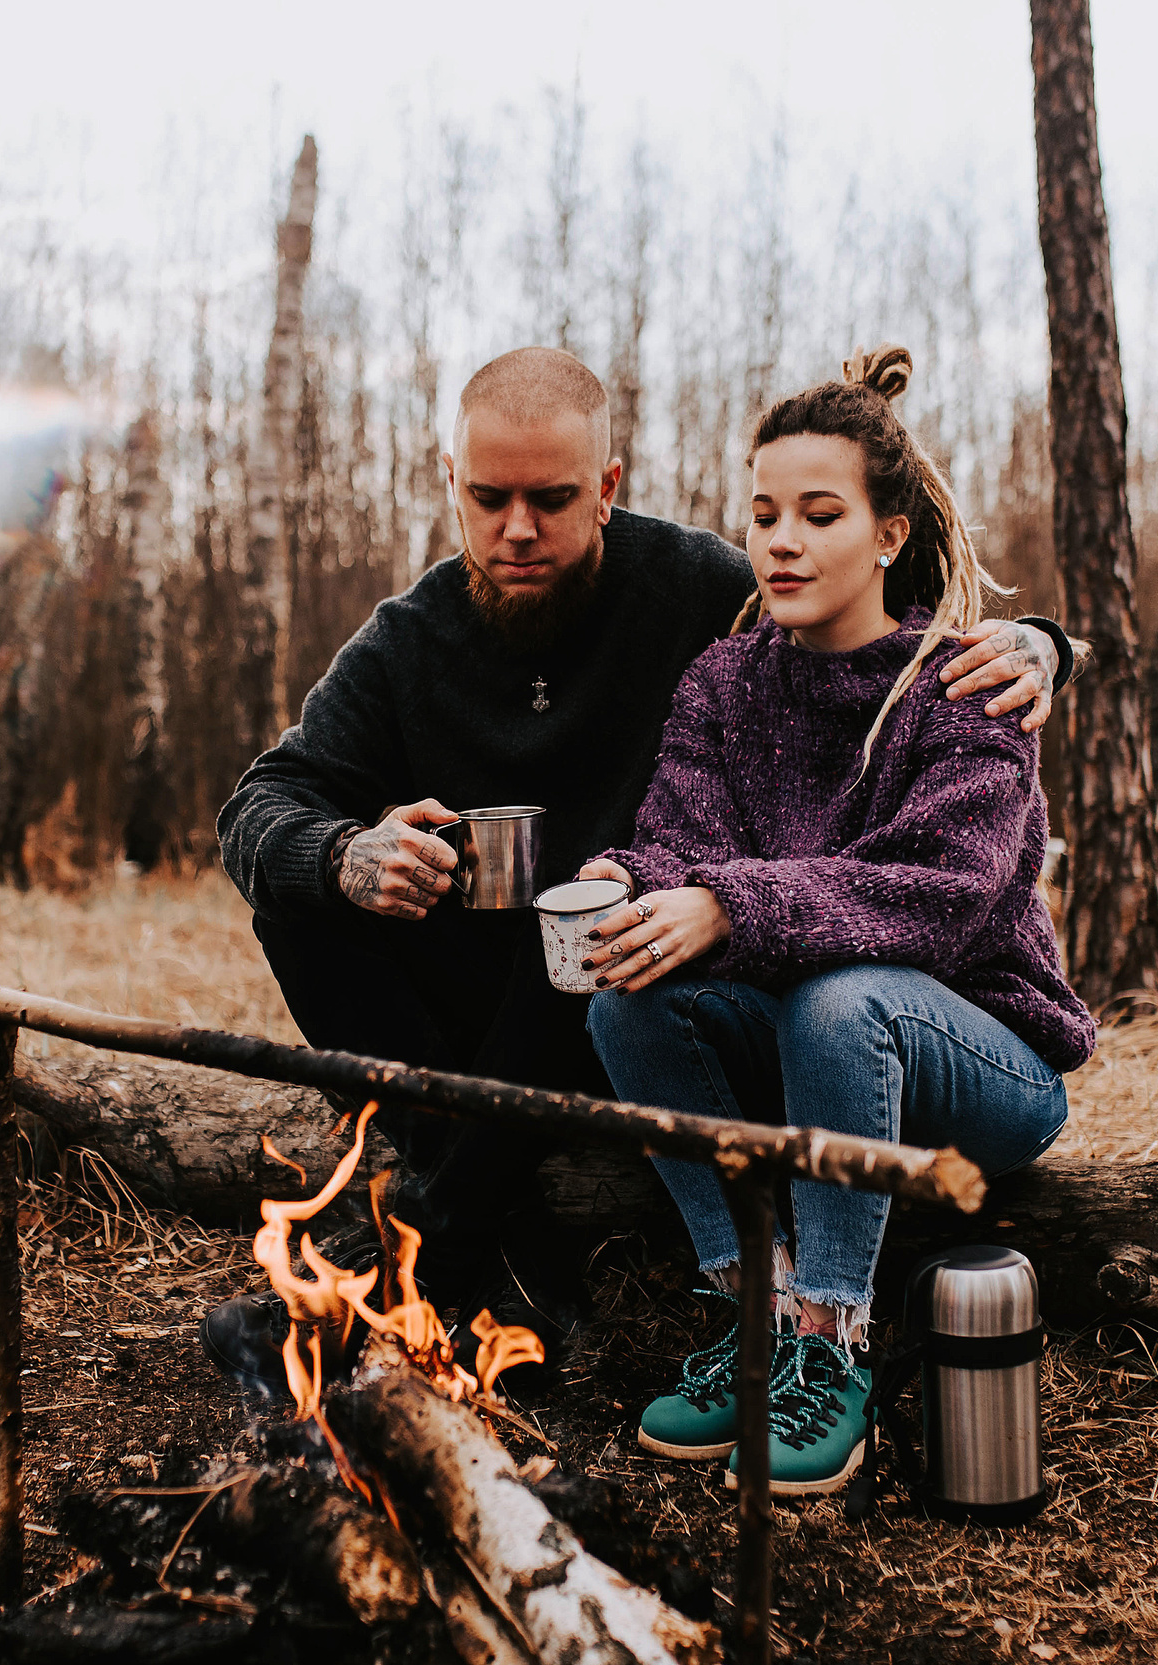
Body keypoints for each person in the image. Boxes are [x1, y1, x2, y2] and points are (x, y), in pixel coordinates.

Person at [203, 346, 1073, 1390]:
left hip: (683, 979)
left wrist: (1041, 645)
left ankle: (456, 1238)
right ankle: (494, 1223)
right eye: (488, 498)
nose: (516, 528)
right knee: (298, 907)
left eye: (552, 498)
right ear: (451, 482)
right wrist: (346, 853)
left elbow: (884, 610)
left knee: (674, 961)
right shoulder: (409, 643)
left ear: (607, 488)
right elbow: (259, 804)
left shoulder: (701, 588)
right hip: (556, 987)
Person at [578, 345, 1094, 1496]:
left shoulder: (964, 684)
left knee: (840, 994)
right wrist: (625, 883)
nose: (781, 541)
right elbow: (680, 841)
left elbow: (945, 896)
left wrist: (731, 903)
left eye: (818, 514)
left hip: (984, 1068)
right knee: (627, 999)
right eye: (763, 514)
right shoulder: (724, 682)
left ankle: (830, 1346)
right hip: (819, 1061)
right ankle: (751, 1312)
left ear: (888, 535)